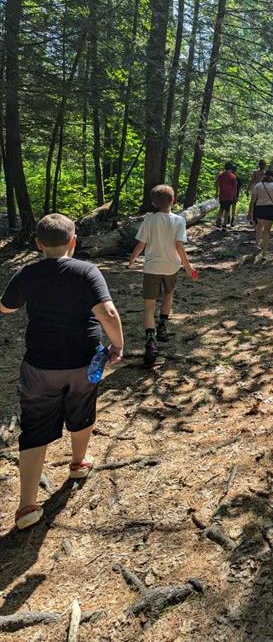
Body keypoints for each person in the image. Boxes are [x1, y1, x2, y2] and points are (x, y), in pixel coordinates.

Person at [0, 213, 124, 530]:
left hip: (40, 364)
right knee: (83, 409)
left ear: (38, 244)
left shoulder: (28, 273)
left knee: (34, 425)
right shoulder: (87, 271)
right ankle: (78, 463)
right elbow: (108, 313)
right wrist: (117, 344)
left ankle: (27, 505)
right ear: (73, 241)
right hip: (85, 361)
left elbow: (6, 307)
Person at [129, 184, 197, 366]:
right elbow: (179, 246)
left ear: (153, 202)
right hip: (171, 266)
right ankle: (163, 327)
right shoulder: (179, 220)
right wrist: (188, 266)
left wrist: (133, 258)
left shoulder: (149, 220)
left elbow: (141, 244)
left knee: (149, 306)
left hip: (152, 266)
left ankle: (151, 341)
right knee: (168, 295)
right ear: (173, 200)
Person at [248, 169, 273, 259]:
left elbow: (252, 201)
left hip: (259, 208)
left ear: (264, 175)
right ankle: (264, 253)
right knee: (267, 231)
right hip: (269, 209)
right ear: (272, 177)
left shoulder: (258, 185)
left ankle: (257, 245)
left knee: (259, 226)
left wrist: (249, 212)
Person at [215, 162, 238, 229]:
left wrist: (216, 192)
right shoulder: (233, 176)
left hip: (222, 194)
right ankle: (224, 225)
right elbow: (235, 187)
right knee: (227, 209)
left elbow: (217, 183)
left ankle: (219, 219)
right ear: (231, 168)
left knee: (221, 208)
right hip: (229, 195)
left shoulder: (221, 175)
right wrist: (235, 196)